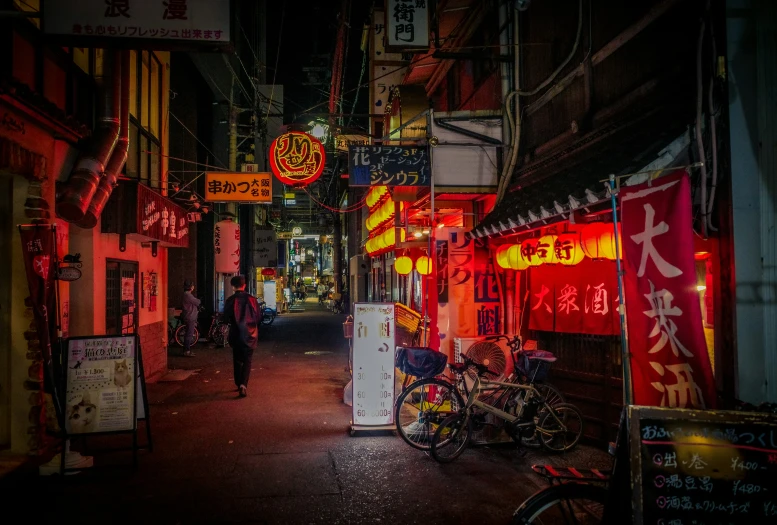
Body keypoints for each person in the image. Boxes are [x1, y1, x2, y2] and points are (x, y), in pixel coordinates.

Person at [224, 275, 260, 397]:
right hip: (250, 334)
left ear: (233, 287)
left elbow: (225, 317)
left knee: (237, 359)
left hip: (236, 333)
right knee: (247, 360)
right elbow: (258, 317)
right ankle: (243, 385)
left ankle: (238, 383)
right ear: (244, 285)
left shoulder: (230, 300)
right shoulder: (252, 300)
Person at [181, 280, 200, 357]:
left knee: (188, 334)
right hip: (190, 316)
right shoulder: (188, 295)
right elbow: (197, 302)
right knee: (189, 334)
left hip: (188, 315)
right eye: (192, 285)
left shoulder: (186, 294)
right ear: (191, 287)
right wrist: (199, 300)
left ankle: (186, 350)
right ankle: (186, 351)